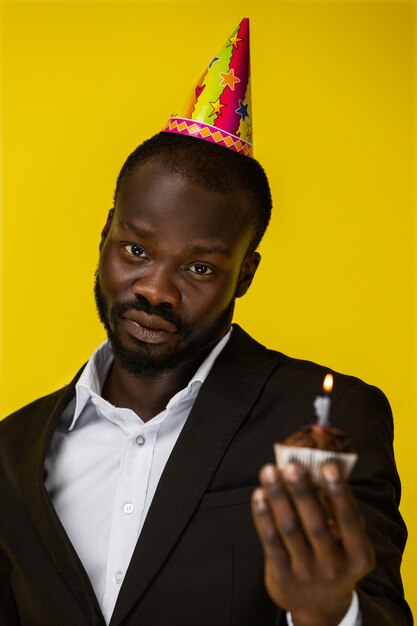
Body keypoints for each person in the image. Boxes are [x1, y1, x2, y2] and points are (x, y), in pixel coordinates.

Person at [0, 19, 412, 626]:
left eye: (198, 267)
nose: (155, 290)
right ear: (105, 236)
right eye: (136, 250)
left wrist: (329, 612)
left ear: (245, 274)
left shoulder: (324, 422)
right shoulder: (13, 451)